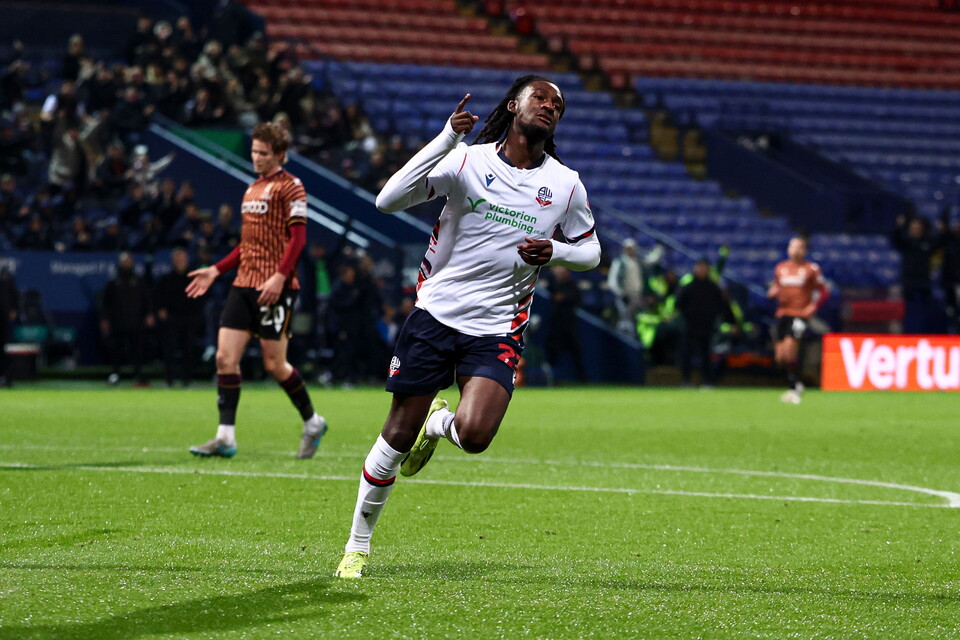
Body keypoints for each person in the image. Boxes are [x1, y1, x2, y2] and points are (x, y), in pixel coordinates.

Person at [334, 76, 601, 578]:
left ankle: (438, 424)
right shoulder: (467, 160)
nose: (550, 106)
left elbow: (591, 250)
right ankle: (357, 546)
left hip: (499, 327)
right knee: (395, 433)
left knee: (476, 435)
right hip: (436, 315)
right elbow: (387, 201)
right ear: (513, 105)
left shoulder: (566, 183)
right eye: (540, 97)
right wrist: (446, 137)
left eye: (558, 104)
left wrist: (558, 251)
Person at [185, 122, 327, 459]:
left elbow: (298, 238)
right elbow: (247, 246)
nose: (257, 158)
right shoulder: (251, 190)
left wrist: (280, 276)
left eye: (263, 153)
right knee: (224, 357)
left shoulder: (292, 187)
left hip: (275, 287)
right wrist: (215, 270)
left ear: (280, 154)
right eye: (254, 152)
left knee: (275, 365)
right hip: (243, 284)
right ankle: (225, 437)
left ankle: (313, 421)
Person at [767, 237, 829, 404]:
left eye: (798, 247)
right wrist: (774, 291)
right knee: (780, 357)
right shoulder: (780, 268)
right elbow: (777, 288)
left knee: (789, 349)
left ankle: (795, 388)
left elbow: (824, 292)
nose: (794, 250)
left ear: (804, 250)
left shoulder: (811, 269)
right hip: (783, 314)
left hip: (800, 315)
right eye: (792, 246)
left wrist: (812, 307)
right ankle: (795, 383)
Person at [675, 259, 731, 387]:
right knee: (686, 354)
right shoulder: (688, 286)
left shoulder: (713, 287)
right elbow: (679, 304)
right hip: (690, 326)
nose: (701, 270)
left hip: (707, 326)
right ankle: (686, 381)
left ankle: (707, 381)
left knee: (706, 355)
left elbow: (721, 306)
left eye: (704, 267)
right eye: (699, 267)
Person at [100, 252, 154, 387]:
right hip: (117, 322)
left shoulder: (138, 280)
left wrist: (148, 314)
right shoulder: (113, 282)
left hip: (136, 322)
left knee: (137, 350)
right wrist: (105, 319)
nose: (126, 263)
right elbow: (106, 303)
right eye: (124, 261)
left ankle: (138, 375)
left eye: (128, 260)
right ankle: (115, 374)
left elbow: (146, 299)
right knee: (117, 350)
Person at [155, 247, 204, 387]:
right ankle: (170, 379)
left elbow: (200, 298)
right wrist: (161, 310)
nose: (180, 261)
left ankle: (187, 379)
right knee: (169, 349)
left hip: (189, 318)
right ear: (173, 260)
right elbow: (159, 297)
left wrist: (197, 316)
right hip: (172, 319)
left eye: (182, 258)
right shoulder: (166, 279)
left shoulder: (193, 278)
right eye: (177, 258)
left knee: (188, 349)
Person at [544, 265, 586, 382]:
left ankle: (582, 378)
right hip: (556, 324)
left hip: (570, 324)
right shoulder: (553, 284)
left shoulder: (572, 285)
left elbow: (576, 299)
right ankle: (552, 378)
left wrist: (564, 298)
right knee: (552, 351)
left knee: (576, 352)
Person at [0, 266, 18, 388]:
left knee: (3, 348)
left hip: (3, 318)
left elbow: (14, 295)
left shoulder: (6, 277)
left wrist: (13, 309)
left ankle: (5, 377)